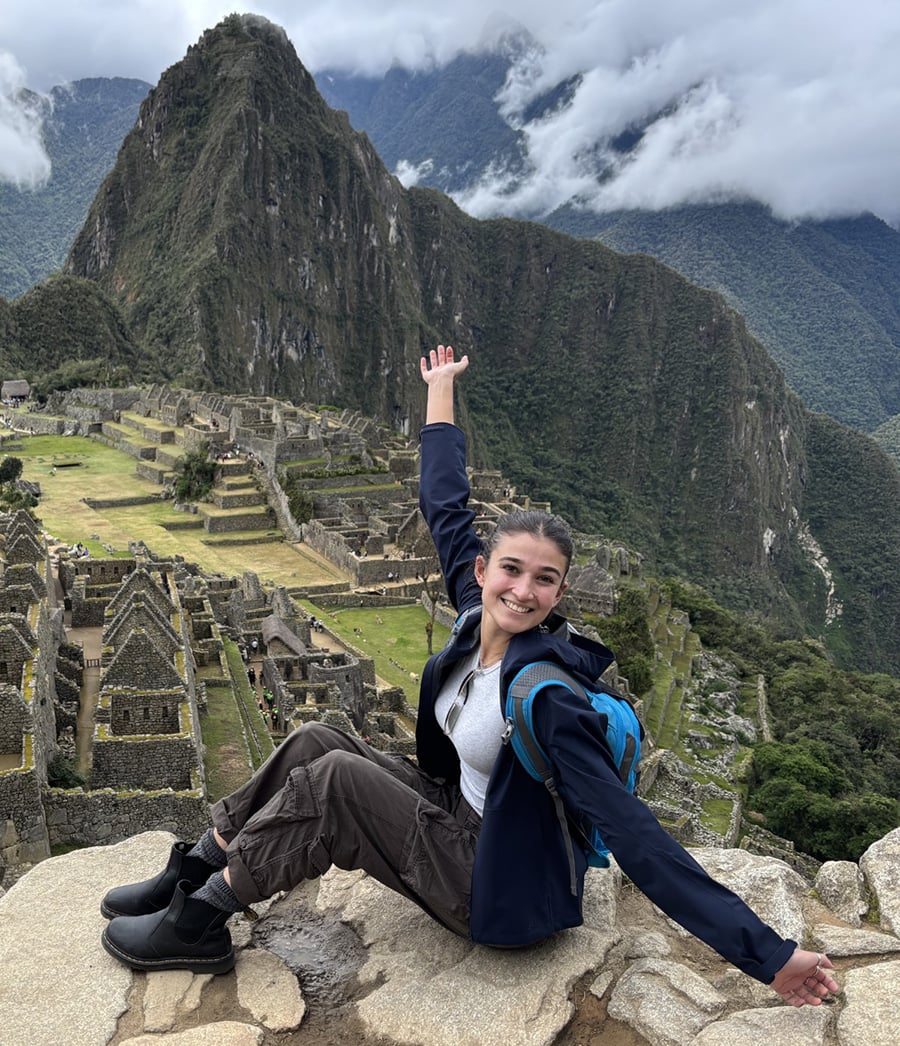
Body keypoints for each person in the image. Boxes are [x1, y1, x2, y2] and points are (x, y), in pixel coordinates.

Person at [98, 345, 838, 1010]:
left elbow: (639, 838)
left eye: (544, 581)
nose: (522, 590)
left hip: (498, 889)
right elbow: (445, 506)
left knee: (337, 786)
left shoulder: (546, 699)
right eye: (510, 570)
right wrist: (440, 393)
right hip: (455, 821)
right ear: (484, 572)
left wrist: (766, 955)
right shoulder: (472, 615)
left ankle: (201, 922)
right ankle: (194, 869)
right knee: (316, 739)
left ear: (561, 594)